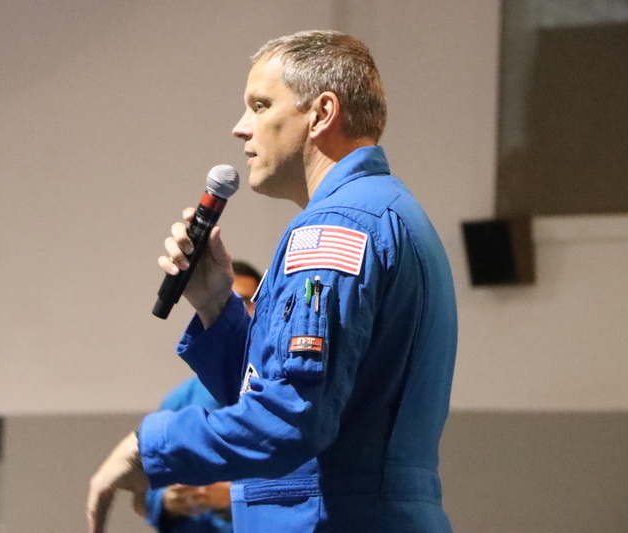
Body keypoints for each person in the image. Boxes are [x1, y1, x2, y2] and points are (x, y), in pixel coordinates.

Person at [88, 30, 457, 533]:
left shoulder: (336, 227)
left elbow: (293, 418)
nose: (241, 128)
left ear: (322, 113)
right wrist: (216, 305)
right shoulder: (387, 212)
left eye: (260, 106)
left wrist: (149, 447)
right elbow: (286, 395)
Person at [141, 262, 261, 533]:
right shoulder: (180, 400)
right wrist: (169, 502)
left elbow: (305, 479)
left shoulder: (284, 395)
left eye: (244, 301)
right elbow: (149, 491)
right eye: (226, 303)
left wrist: (236, 496)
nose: (235, 312)